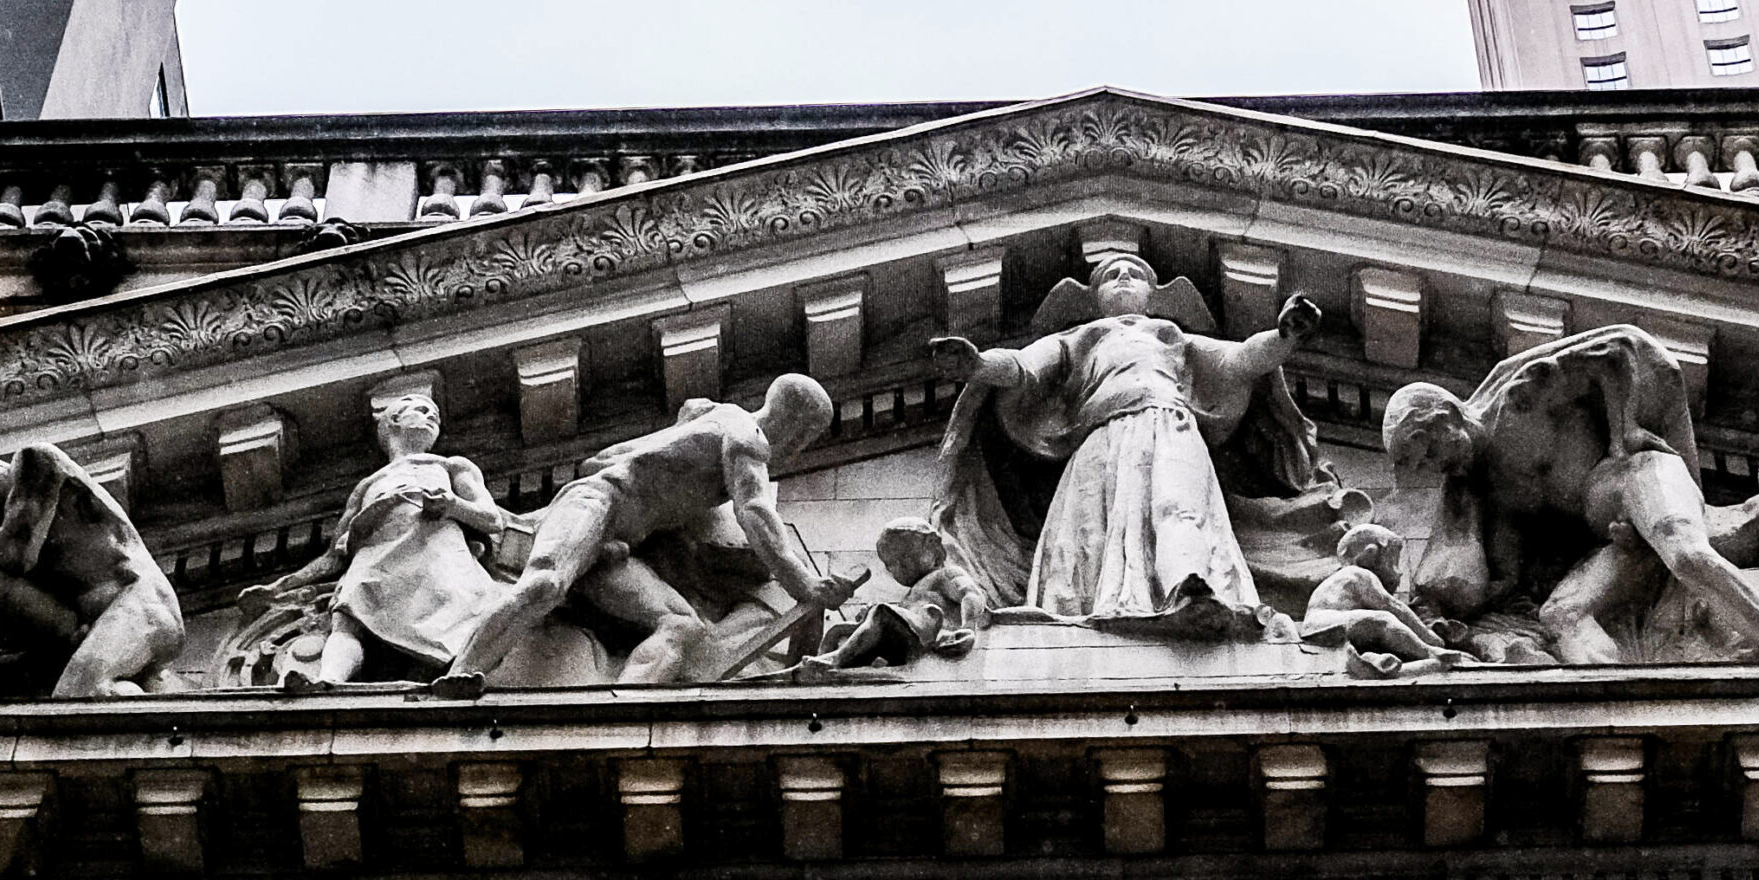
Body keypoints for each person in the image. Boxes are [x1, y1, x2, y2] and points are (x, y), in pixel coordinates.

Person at [928, 253, 1325, 633]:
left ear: (1153, 295)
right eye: (1110, 275)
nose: (1123, 277)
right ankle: (1088, 609)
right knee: (1089, 534)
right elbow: (1023, 368)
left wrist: (1285, 336)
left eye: (1135, 274)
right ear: (1094, 298)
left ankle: (1189, 587)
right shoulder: (1078, 339)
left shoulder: (1172, 336)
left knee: (1180, 508)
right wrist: (977, 364)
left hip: (1170, 426)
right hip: (1101, 438)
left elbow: (1239, 361)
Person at [1383, 325, 1759, 667]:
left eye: (1431, 452)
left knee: (1687, 555)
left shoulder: (1518, 399)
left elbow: (1615, 352)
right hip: (1619, 539)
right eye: (1426, 465)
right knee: (1560, 615)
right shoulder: (1490, 491)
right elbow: (1507, 572)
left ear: (1447, 416)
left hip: (1636, 479)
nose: (1436, 468)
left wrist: (1624, 430)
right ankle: (1622, 709)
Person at [439, 374, 854, 690]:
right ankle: (461, 673)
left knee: (683, 625)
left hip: (619, 548)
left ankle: (623, 707)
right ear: (796, 426)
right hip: (596, 505)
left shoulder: (712, 417)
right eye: (804, 437)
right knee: (546, 584)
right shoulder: (748, 436)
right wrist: (804, 583)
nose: (796, 449)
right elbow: (755, 511)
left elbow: (616, 453)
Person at [240, 391, 509, 688]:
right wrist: (279, 587)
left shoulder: (450, 466)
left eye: (434, 414)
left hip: (435, 553)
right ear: (394, 419)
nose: (432, 416)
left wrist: (452, 505)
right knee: (347, 619)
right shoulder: (367, 486)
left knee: (451, 618)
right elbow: (333, 557)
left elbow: (491, 519)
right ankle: (328, 681)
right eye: (421, 410)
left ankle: (455, 675)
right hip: (374, 559)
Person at [0, 425, 183, 698]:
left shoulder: (35, 461)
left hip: (139, 603)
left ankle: (151, 703)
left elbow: (18, 552)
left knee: (78, 695)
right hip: (77, 625)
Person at [811, 519, 989, 670]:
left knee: (882, 613)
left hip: (925, 635)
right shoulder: (911, 596)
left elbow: (971, 595)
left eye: (906, 556)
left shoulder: (946, 574)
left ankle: (835, 662)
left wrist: (968, 627)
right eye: (891, 564)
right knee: (838, 629)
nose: (898, 567)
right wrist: (865, 619)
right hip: (906, 637)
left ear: (932, 549)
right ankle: (820, 663)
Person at [1300, 524, 1470, 677]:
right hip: (1323, 624)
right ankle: (1429, 652)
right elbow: (1392, 606)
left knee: (1377, 624)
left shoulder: (1348, 577)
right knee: (1383, 618)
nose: (1400, 572)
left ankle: (1381, 662)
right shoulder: (1358, 574)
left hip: (1322, 625)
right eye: (1393, 559)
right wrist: (1429, 637)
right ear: (1370, 554)